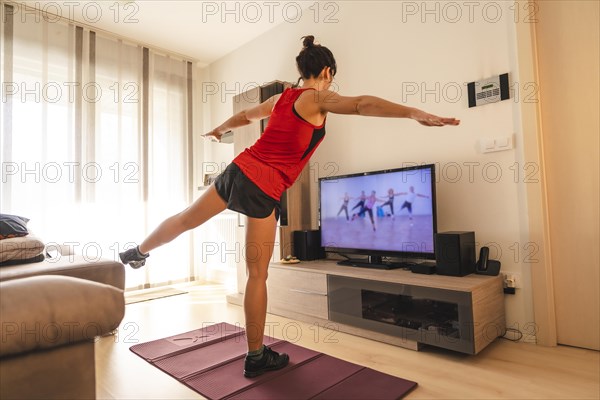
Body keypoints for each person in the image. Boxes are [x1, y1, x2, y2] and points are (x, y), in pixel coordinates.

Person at [119, 35, 459, 377]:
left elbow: (245, 116)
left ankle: (138, 251)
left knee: (184, 219)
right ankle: (255, 356)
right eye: (332, 76)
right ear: (326, 71)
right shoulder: (318, 98)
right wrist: (413, 112)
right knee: (257, 274)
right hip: (263, 185)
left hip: (238, 168)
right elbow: (362, 104)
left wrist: (220, 129)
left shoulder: (282, 98)